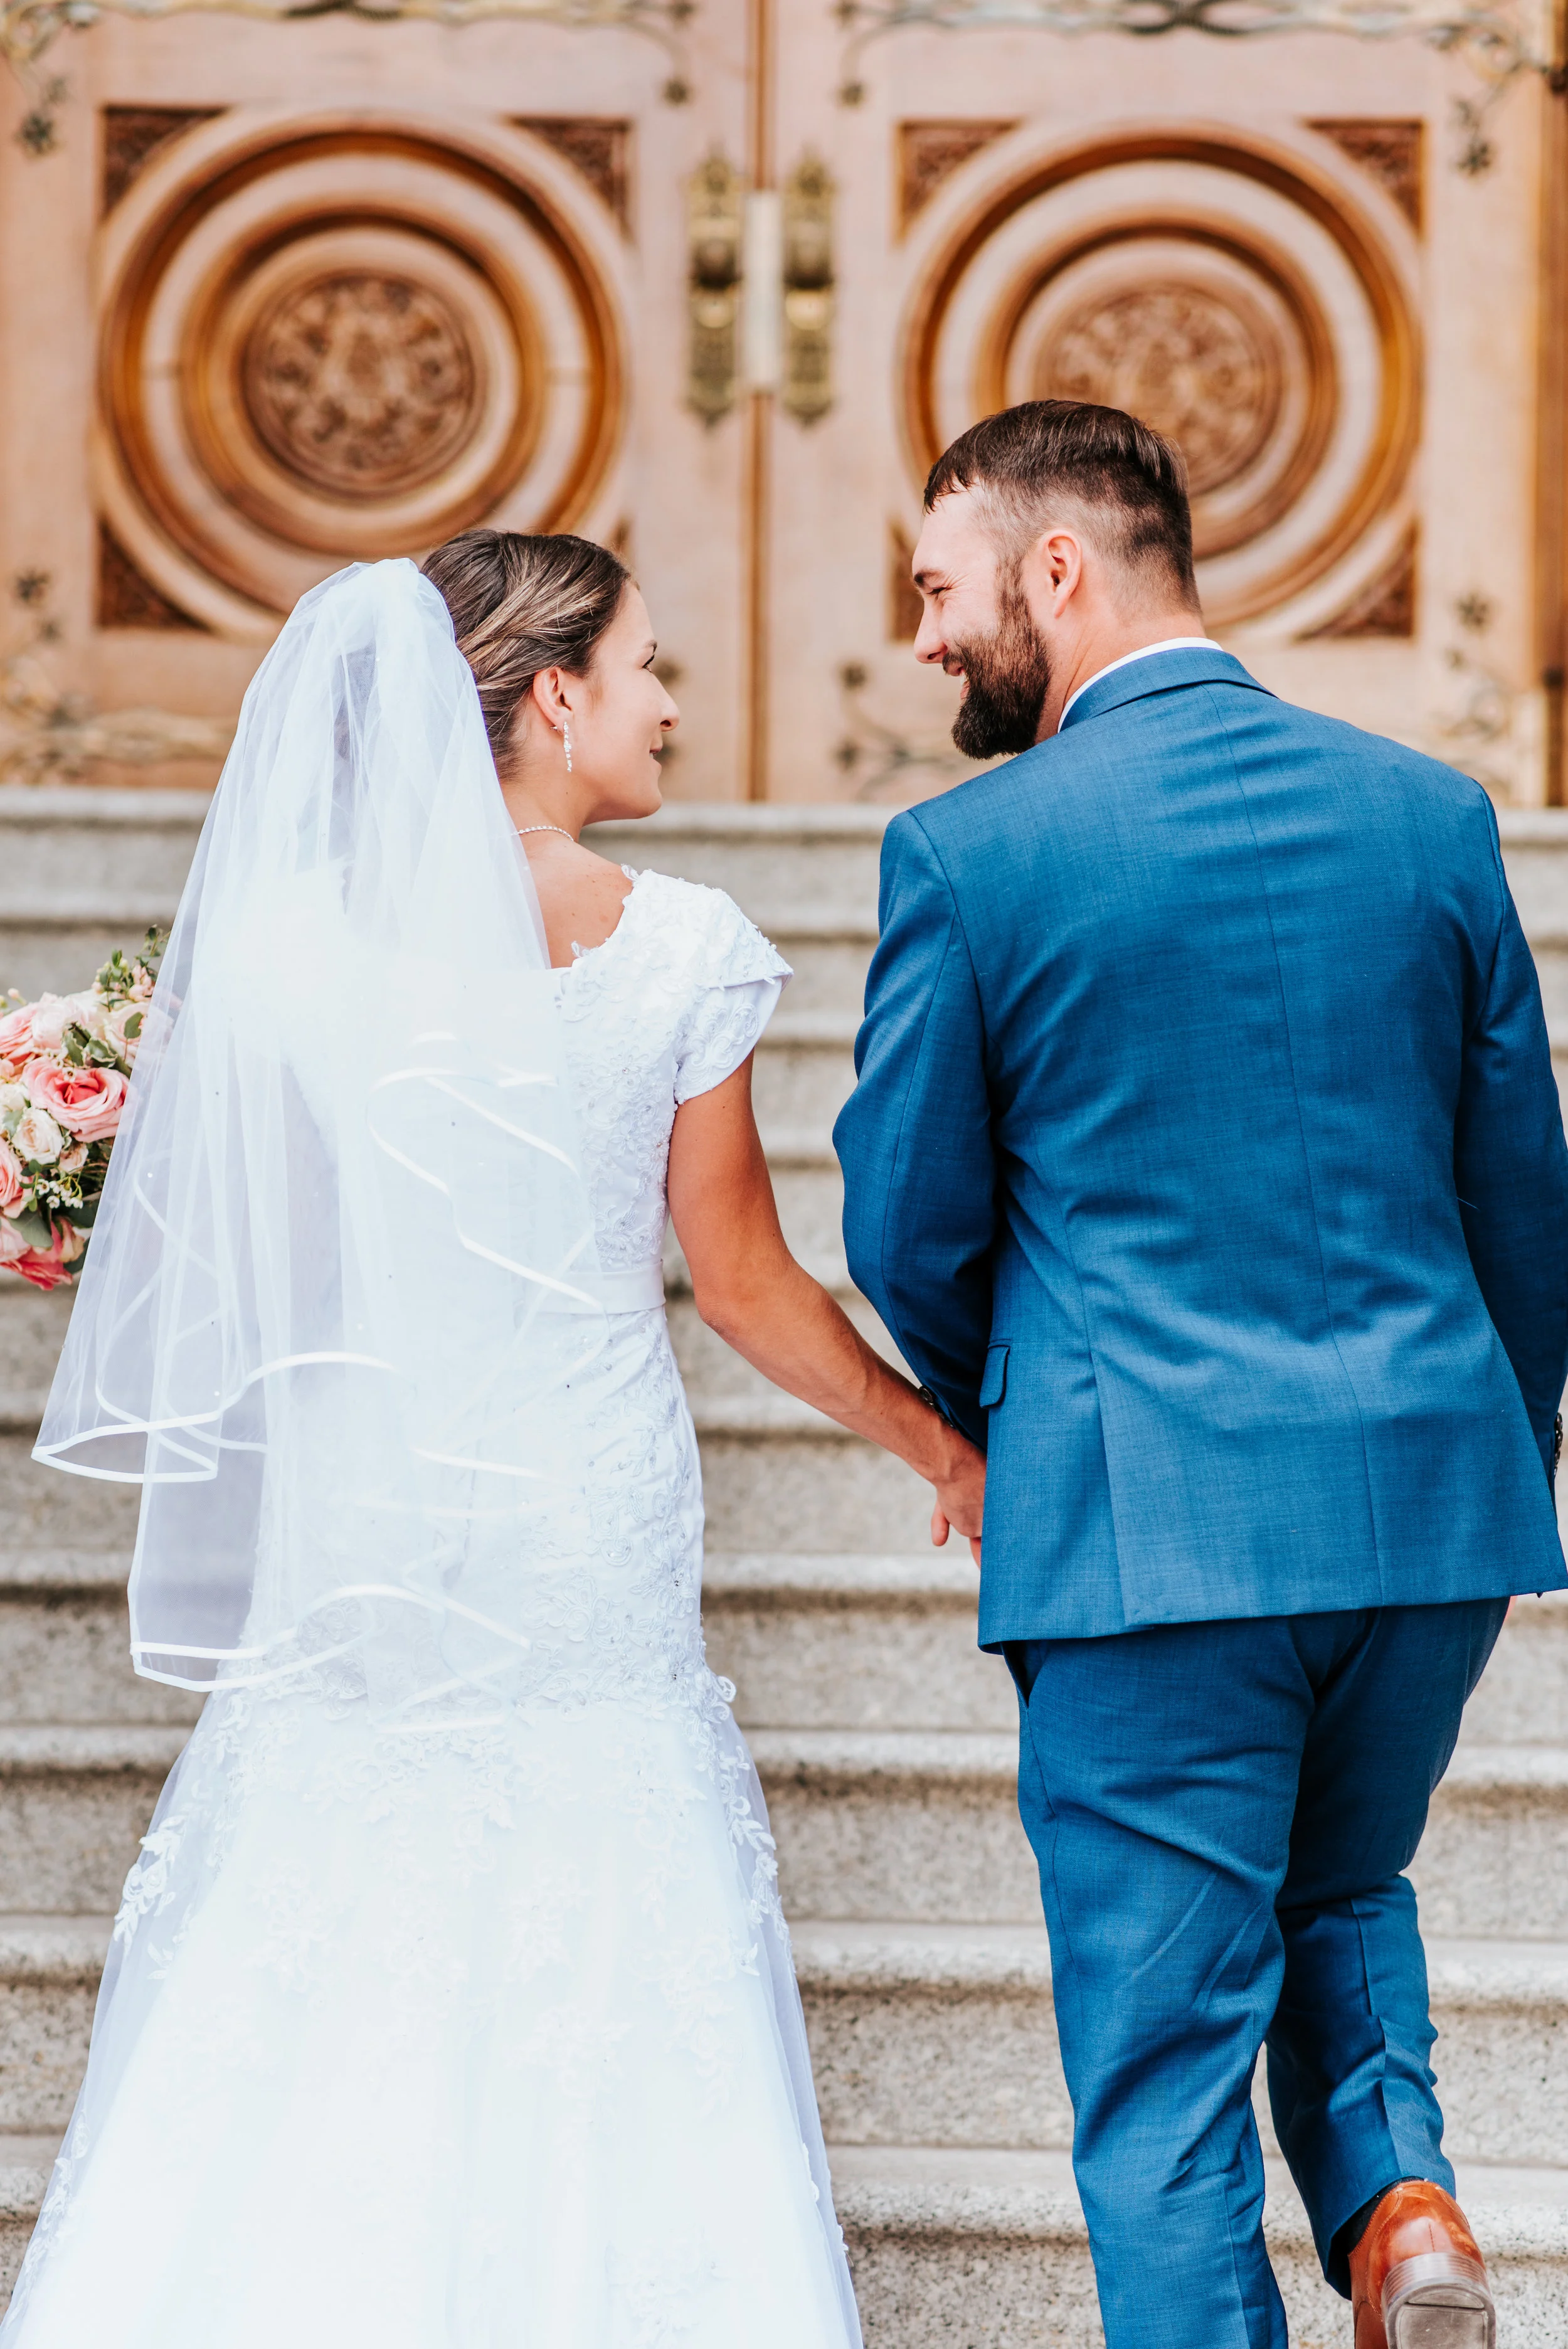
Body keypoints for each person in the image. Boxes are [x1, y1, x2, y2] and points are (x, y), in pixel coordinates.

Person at [5, 538, 983, 2346]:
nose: (674, 703)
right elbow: (750, 1283)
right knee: (595, 1869)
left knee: (335, 1873)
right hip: (574, 1510)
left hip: (366, 1504)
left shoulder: (291, 942)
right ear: (550, 698)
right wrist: (935, 1444)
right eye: (646, 667)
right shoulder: (673, 943)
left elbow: (263, 1257)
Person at [833, 398, 1568, 2349]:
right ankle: (1401, 2215)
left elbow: (905, 1220)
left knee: (1160, 2070)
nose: (921, 642)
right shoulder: (1427, 813)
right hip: (1423, 1507)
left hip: (1145, 1526)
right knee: (1339, 1888)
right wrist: (1491, 1458)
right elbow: (1522, 1194)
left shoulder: (971, 852)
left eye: (938, 588)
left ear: (1052, 568)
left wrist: (1021, 1424)